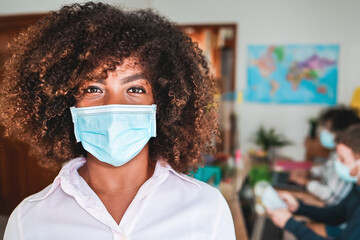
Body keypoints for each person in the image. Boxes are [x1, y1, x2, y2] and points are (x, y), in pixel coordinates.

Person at [1, 2, 235, 239]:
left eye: (135, 89)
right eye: (93, 89)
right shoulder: (28, 221)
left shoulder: (208, 209)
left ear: (162, 105)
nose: (114, 106)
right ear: (66, 107)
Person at [267, 124, 360, 240]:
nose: (337, 162)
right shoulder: (357, 188)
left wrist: (289, 224)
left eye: (343, 159)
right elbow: (336, 215)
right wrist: (298, 206)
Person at [289, 106, 360, 205]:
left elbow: (331, 197)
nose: (323, 132)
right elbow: (327, 169)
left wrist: (306, 183)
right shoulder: (338, 152)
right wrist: (309, 172)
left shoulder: (348, 162)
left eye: (327, 128)